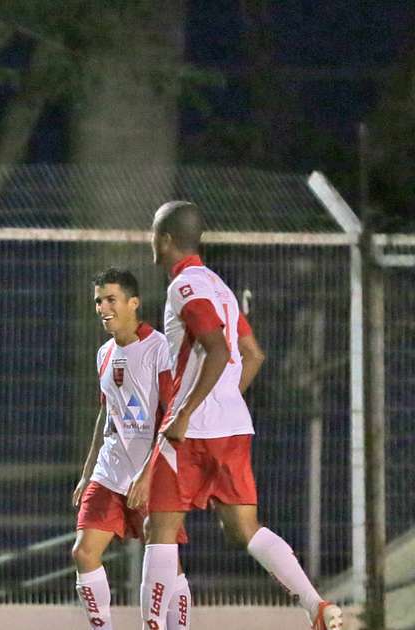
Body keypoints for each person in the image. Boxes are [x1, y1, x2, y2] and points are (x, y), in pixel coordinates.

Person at [131, 201, 342, 630]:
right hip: (232, 427)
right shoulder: (220, 286)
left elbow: (218, 348)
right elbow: (254, 354)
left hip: (190, 432)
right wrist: (225, 396)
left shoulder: (183, 287)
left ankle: (152, 625)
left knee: (160, 529)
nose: (150, 241)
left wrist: (189, 411)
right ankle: (315, 605)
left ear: (165, 240)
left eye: (153, 233)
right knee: (245, 529)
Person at [72, 268, 190, 629]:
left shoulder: (159, 349)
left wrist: (149, 473)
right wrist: (87, 473)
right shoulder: (104, 354)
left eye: (111, 299)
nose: (102, 308)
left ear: (133, 303)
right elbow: (106, 412)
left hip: (155, 472)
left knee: (169, 564)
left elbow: (171, 414)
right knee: (84, 553)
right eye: (98, 301)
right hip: (110, 471)